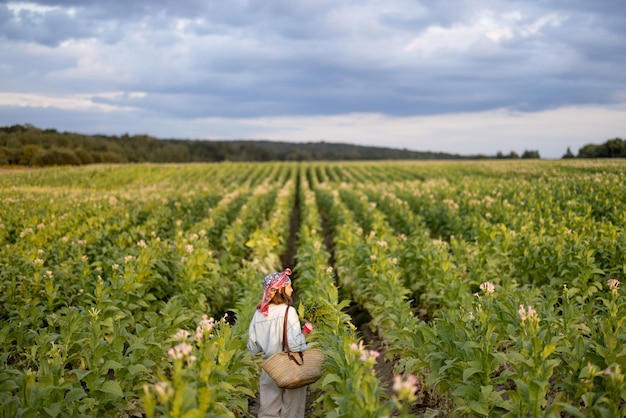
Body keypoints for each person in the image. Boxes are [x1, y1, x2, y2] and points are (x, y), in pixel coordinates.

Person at [247, 268, 314, 418]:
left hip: (270, 368)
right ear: (281, 289)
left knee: (268, 411)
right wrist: (307, 330)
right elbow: (296, 345)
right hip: (290, 367)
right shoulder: (288, 312)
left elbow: (252, 348)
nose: (292, 289)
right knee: (292, 411)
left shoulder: (259, 313)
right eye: (289, 286)